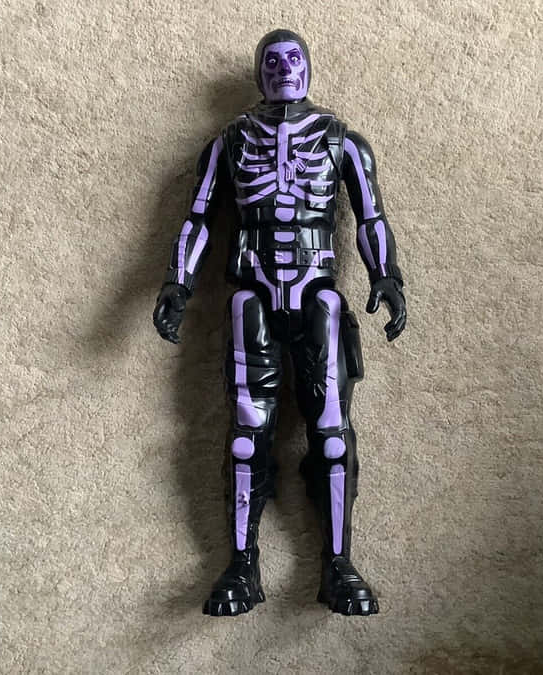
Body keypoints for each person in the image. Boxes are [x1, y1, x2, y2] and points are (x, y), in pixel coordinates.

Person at [152, 29, 407, 616]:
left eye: (294, 59)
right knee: (247, 430)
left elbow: (371, 215)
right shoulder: (229, 142)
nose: (284, 69)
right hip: (252, 295)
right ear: (258, 71)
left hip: (319, 295)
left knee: (332, 428)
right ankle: (241, 564)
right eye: (273, 61)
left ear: (308, 67)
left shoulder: (344, 141)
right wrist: (178, 281)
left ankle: (338, 564)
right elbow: (198, 217)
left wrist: (387, 275)